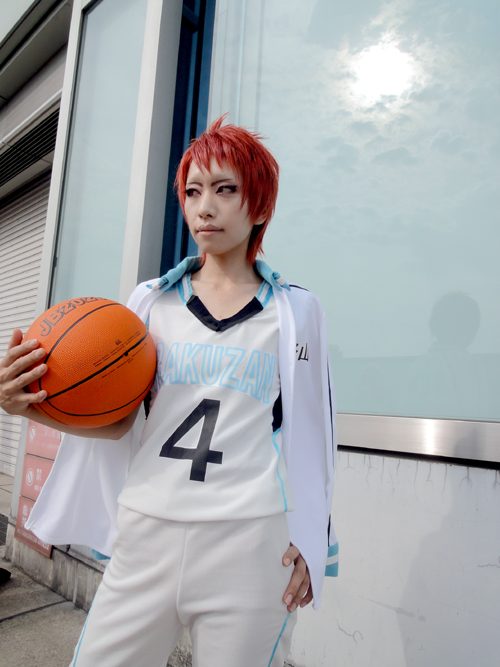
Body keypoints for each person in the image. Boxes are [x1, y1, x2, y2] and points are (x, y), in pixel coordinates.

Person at [0, 117, 338, 667]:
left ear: (259, 205)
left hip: (250, 542)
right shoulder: (149, 302)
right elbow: (118, 421)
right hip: (147, 529)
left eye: (225, 189)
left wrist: (313, 539)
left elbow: (314, 431)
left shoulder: (296, 310)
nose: (205, 207)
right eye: (193, 191)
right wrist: (26, 406)